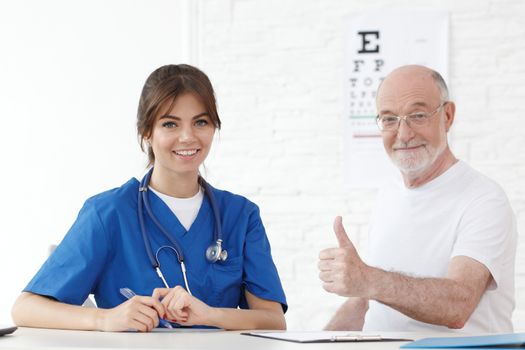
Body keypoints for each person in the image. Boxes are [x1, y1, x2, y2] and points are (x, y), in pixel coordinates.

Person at [11, 64, 287, 332]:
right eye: (170, 124)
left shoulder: (240, 215)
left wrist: (211, 315)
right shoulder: (109, 212)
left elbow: (273, 319)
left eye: (201, 122)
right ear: (146, 132)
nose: (188, 137)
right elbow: (26, 308)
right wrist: (105, 319)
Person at [318, 65, 516, 333]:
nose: (404, 134)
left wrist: (367, 279)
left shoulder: (484, 200)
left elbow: (458, 305)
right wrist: (318, 342)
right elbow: (367, 301)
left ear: (447, 116)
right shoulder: (388, 194)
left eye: (418, 115)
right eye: (389, 119)